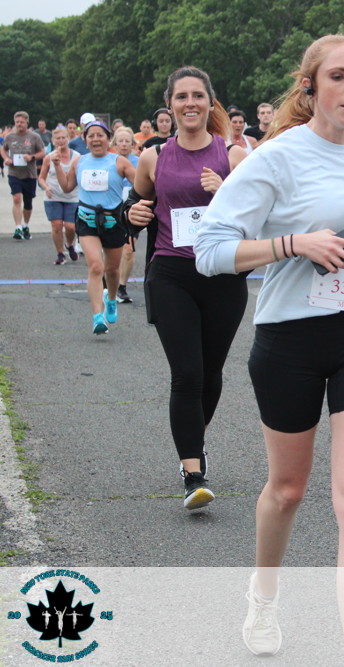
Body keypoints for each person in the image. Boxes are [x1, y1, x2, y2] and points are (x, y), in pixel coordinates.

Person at [194, 34, 344, 665]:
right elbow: (209, 251)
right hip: (291, 338)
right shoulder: (277, 157)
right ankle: (264, 596)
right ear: (310, 86)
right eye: (338, 76)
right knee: (288, 489)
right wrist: (294, 244)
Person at [125, 66, 249, 511]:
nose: (190, 103)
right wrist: (131, 214)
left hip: (223, 276)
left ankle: (194, 440)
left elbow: (259, 216)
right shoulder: (153, 156)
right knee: (188, 373)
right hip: (172, 273)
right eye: (182, 96)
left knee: (211, 373)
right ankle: (192, 473)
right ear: (170, 104)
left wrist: (226, 192)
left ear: (210, 103)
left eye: (198, 95)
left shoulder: (234, 156)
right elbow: (136, 203)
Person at [52, 120, 138, 334]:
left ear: (109, 139)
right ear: (85, 140)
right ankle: (97, 317)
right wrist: (57, 166)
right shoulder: (79, 162)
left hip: (113, 222)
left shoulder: (119, 162)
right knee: (95, 266)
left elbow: (141, 185)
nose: (96, 139)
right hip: (87, 220)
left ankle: (111, 299)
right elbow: (67, 187)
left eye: (100, 135)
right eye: (91, 136)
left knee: (112, 270)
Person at [38, 126, 80, 264]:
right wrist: (46, 187)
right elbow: (41, 178)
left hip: (72, 197)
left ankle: (70, 244)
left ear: (68, 139)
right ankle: (60, 253)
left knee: (70, 226)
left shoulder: (77, 157)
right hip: (53, 196)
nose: (61, 141)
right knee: (56, 225)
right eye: (58, 138)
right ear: (53, 140)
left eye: (63, 137)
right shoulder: (48, 158)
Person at [2, 111, 47, 240]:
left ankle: (26, 225)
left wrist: (31, 157)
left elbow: (42, 152)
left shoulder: (34, 137)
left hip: (29, 174)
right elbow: (3, 149)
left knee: (28, 202)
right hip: (14, 173)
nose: (19, 124)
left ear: (27, 122)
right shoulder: (10, 136)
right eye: (17, 122)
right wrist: (6, 159)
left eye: (21, 122)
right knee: (16, 198)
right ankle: (18, 227)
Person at [113, 127, 141, 303]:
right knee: (112, 249)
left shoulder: (139, 162)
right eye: (120, 141)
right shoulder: (109, 161)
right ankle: (109, 279)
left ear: (132, 144)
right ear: (115, 144)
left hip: (132, 210)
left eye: (127, 141)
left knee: (129, 249)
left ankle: (122, 286)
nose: (124, 144)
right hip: (111, 211)